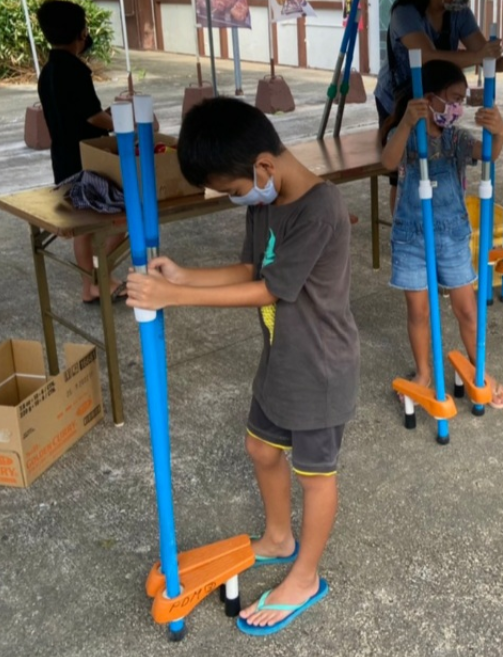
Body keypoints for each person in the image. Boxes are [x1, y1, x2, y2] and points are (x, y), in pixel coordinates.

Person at [125, 98, 359, 636]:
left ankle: (305, 575)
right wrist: (182, 278)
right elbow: (249, 267)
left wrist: (171, 299)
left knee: (316, 475)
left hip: (320, 368)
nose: (238, 199)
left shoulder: (319, 208)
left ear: (263, 167)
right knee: (260, 446)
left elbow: (268, 289)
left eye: (234, 190)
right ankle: (279, 538)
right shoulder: (265, 200)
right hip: (281, 359)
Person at [380, 60, 503, 409]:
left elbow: (487, 155)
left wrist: (499, 132)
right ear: (430, 97)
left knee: (467, 309)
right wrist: (408, 122)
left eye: (462, 100)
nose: (459, 107)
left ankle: (478, 367)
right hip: (412, 237)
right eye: (454, 98)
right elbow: (388, 162)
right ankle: (423, 373)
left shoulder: (454, 138)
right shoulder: (408, 135)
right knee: (419, 312)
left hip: (451, 235)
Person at [373, 0, 503, 211]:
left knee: (439, 156)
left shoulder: (459, 14)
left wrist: (502, 62)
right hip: (399, 97)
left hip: (437, 98)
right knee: (403, 168)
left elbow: (482, 53)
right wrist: (478, 55)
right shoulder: (405, 12)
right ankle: (403, 223)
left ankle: (434, 216)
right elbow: (425, 57)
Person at [36, 0, 123, 305]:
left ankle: (92, 285)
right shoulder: (75, 70)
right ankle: (99, 276)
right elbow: (91, 117)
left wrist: (107, 115)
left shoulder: (47, 71)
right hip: (87, 161)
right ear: (81, 33)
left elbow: (75, 114)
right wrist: (121, 124)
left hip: (63, 159)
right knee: (124, 221)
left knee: (84, 228)